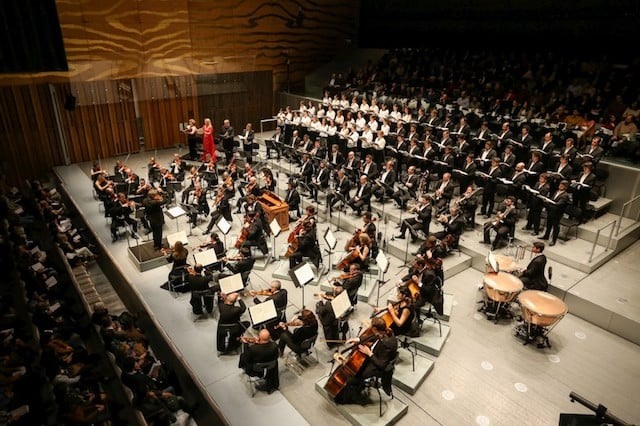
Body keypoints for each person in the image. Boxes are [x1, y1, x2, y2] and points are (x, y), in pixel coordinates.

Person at [333, 317, 398, 405]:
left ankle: (354, 396)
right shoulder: (386, 332)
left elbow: (381, 365)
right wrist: (358, 339)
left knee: (354, 376)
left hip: (378, 368)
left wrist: (369, 353)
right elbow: (373, 337)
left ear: (375, 329)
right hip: (375, 358)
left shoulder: (386, 343)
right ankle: (358, 385)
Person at [540, 180, 571, 246]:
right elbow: (552, 199)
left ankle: (553, 240)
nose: (560, 186)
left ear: (565, 187)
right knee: (548, 225)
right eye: (560, 185)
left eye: (562, 186)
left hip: (557, 213)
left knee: (555, 227)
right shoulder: (556, 191)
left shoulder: (565, 195)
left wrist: (549, 202)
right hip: (551, 210)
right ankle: (546, 236)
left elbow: (559, 204)